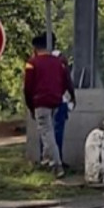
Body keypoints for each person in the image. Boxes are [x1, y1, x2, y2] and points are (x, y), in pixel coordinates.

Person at [24, 33, 75, 179]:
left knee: (46, 132)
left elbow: (27, 88)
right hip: (56, 100)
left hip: (40, 101)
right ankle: (46, 159)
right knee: (49, 130)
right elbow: (66, 81)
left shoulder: (32, 63)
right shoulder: (58, 62)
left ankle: (56, 164)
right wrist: (72, 96)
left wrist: (30, 106)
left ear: (35, 48)